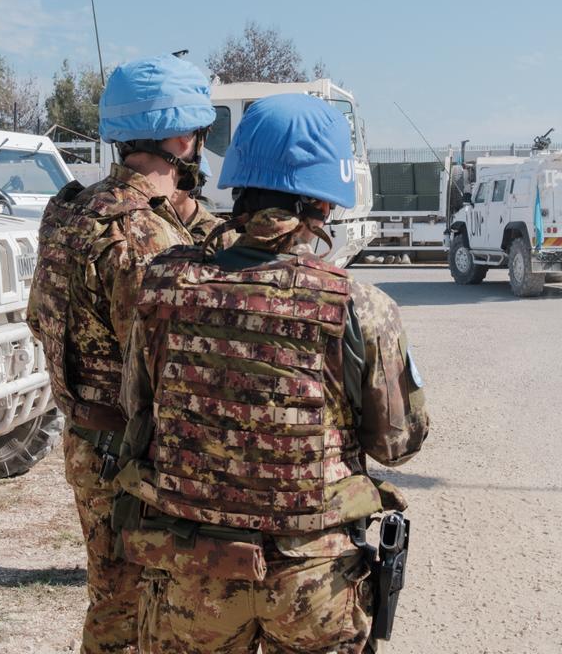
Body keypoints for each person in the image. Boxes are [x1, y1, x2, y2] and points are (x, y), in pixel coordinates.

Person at [114, 93, 430, 654]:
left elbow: (138, 412)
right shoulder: (360, 304)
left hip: (191, 569)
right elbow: (397, 445)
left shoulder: (163, 284)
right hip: (314, 581)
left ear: (237, 187)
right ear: (323, 206)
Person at [26, 53, 215, 654]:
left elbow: (42, 317)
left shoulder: (72, 209)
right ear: (185, 138)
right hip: (133, 453)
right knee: (137, 608)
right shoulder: (143, 237)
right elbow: (164, 365)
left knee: (113, 594)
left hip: (88, 436)